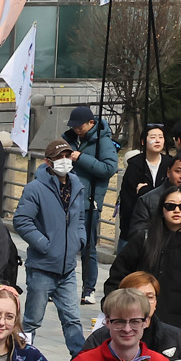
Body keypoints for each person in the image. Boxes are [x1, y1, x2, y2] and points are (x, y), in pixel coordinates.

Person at [13, 139, 90, 356]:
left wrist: (79, 240)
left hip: (67, 269)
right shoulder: (35, 188)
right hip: (42, 267)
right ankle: (23, 359)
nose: (64, 161)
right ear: (48, 162)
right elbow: (22, 220)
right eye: (59, 158)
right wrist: (44, 244)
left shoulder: (77, 185)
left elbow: (80, 218)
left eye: (67, 156)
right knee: (31, 320)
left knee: (73, 320)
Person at [104, 185, 181, 328]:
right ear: (162, 208)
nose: (177, 210)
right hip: (140, 321)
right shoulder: (144, 239)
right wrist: (114, 309)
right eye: (170, 206)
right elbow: (118, 275)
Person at [64, 106, 120, 300]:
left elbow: (109, 168)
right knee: (64, 244)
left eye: (80, 127)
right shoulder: (69, 138)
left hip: (89, 202)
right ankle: (60, 285)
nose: (76, 130)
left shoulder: (102, 141)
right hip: (66, 199)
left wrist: (80, 158)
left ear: (91, 123)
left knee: (88, 246)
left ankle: (89, 288)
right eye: (74, 127)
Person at [118, 124, 171, 245]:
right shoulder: (135, 166)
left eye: (161, 137)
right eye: (153, 137)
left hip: (164, 227)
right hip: (136, 227)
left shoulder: (170, 164)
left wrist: (146, 191)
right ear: (143, 141)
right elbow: (128, 200)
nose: (157, 140)